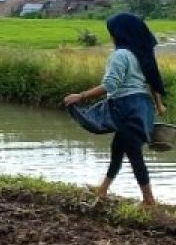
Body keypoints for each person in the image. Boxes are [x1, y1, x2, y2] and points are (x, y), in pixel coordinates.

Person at [63, 12, 167, 207]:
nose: (110, 36)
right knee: (118, 148)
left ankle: (149, 200)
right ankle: (102, 189)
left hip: (126, 108)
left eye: (111, 32)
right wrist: (159, 105)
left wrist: (81, 96)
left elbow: (110, 85)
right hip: (142, 107)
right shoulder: (141, 54)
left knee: (134, 153)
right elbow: (153, 81)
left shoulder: (119, 55)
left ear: (118, 34)